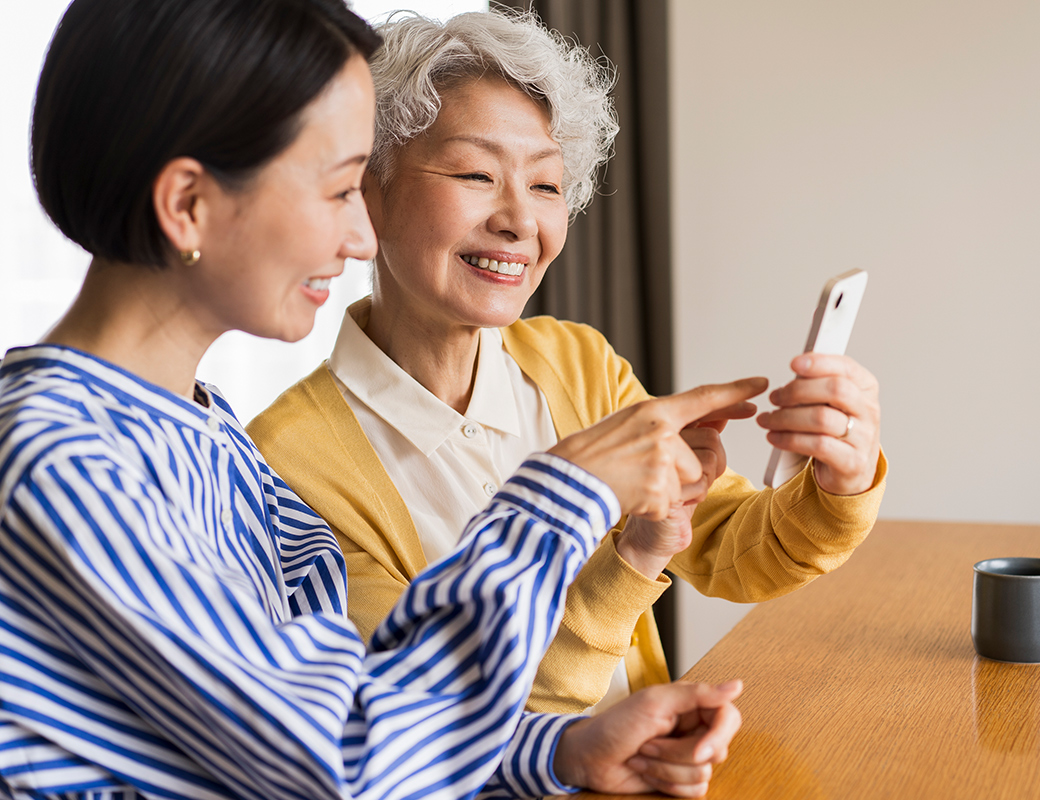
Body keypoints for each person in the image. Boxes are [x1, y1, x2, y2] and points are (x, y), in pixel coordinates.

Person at [0, 1, 752, 797]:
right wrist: (569, 491)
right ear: (188, 203)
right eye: (338, 191)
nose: (363, 237)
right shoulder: (59, 462)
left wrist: (561, 752)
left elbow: (353, 706)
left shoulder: (203, 432)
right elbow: (348, 764)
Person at [249, 9, 888, 715]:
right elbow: (431, 720)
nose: (520, 220)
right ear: (367, 191)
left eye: (547, 185)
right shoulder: (287, 465)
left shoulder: (575, 361)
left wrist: (838, 483)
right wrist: (632, 558)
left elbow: (731, 546)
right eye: (475, 173)